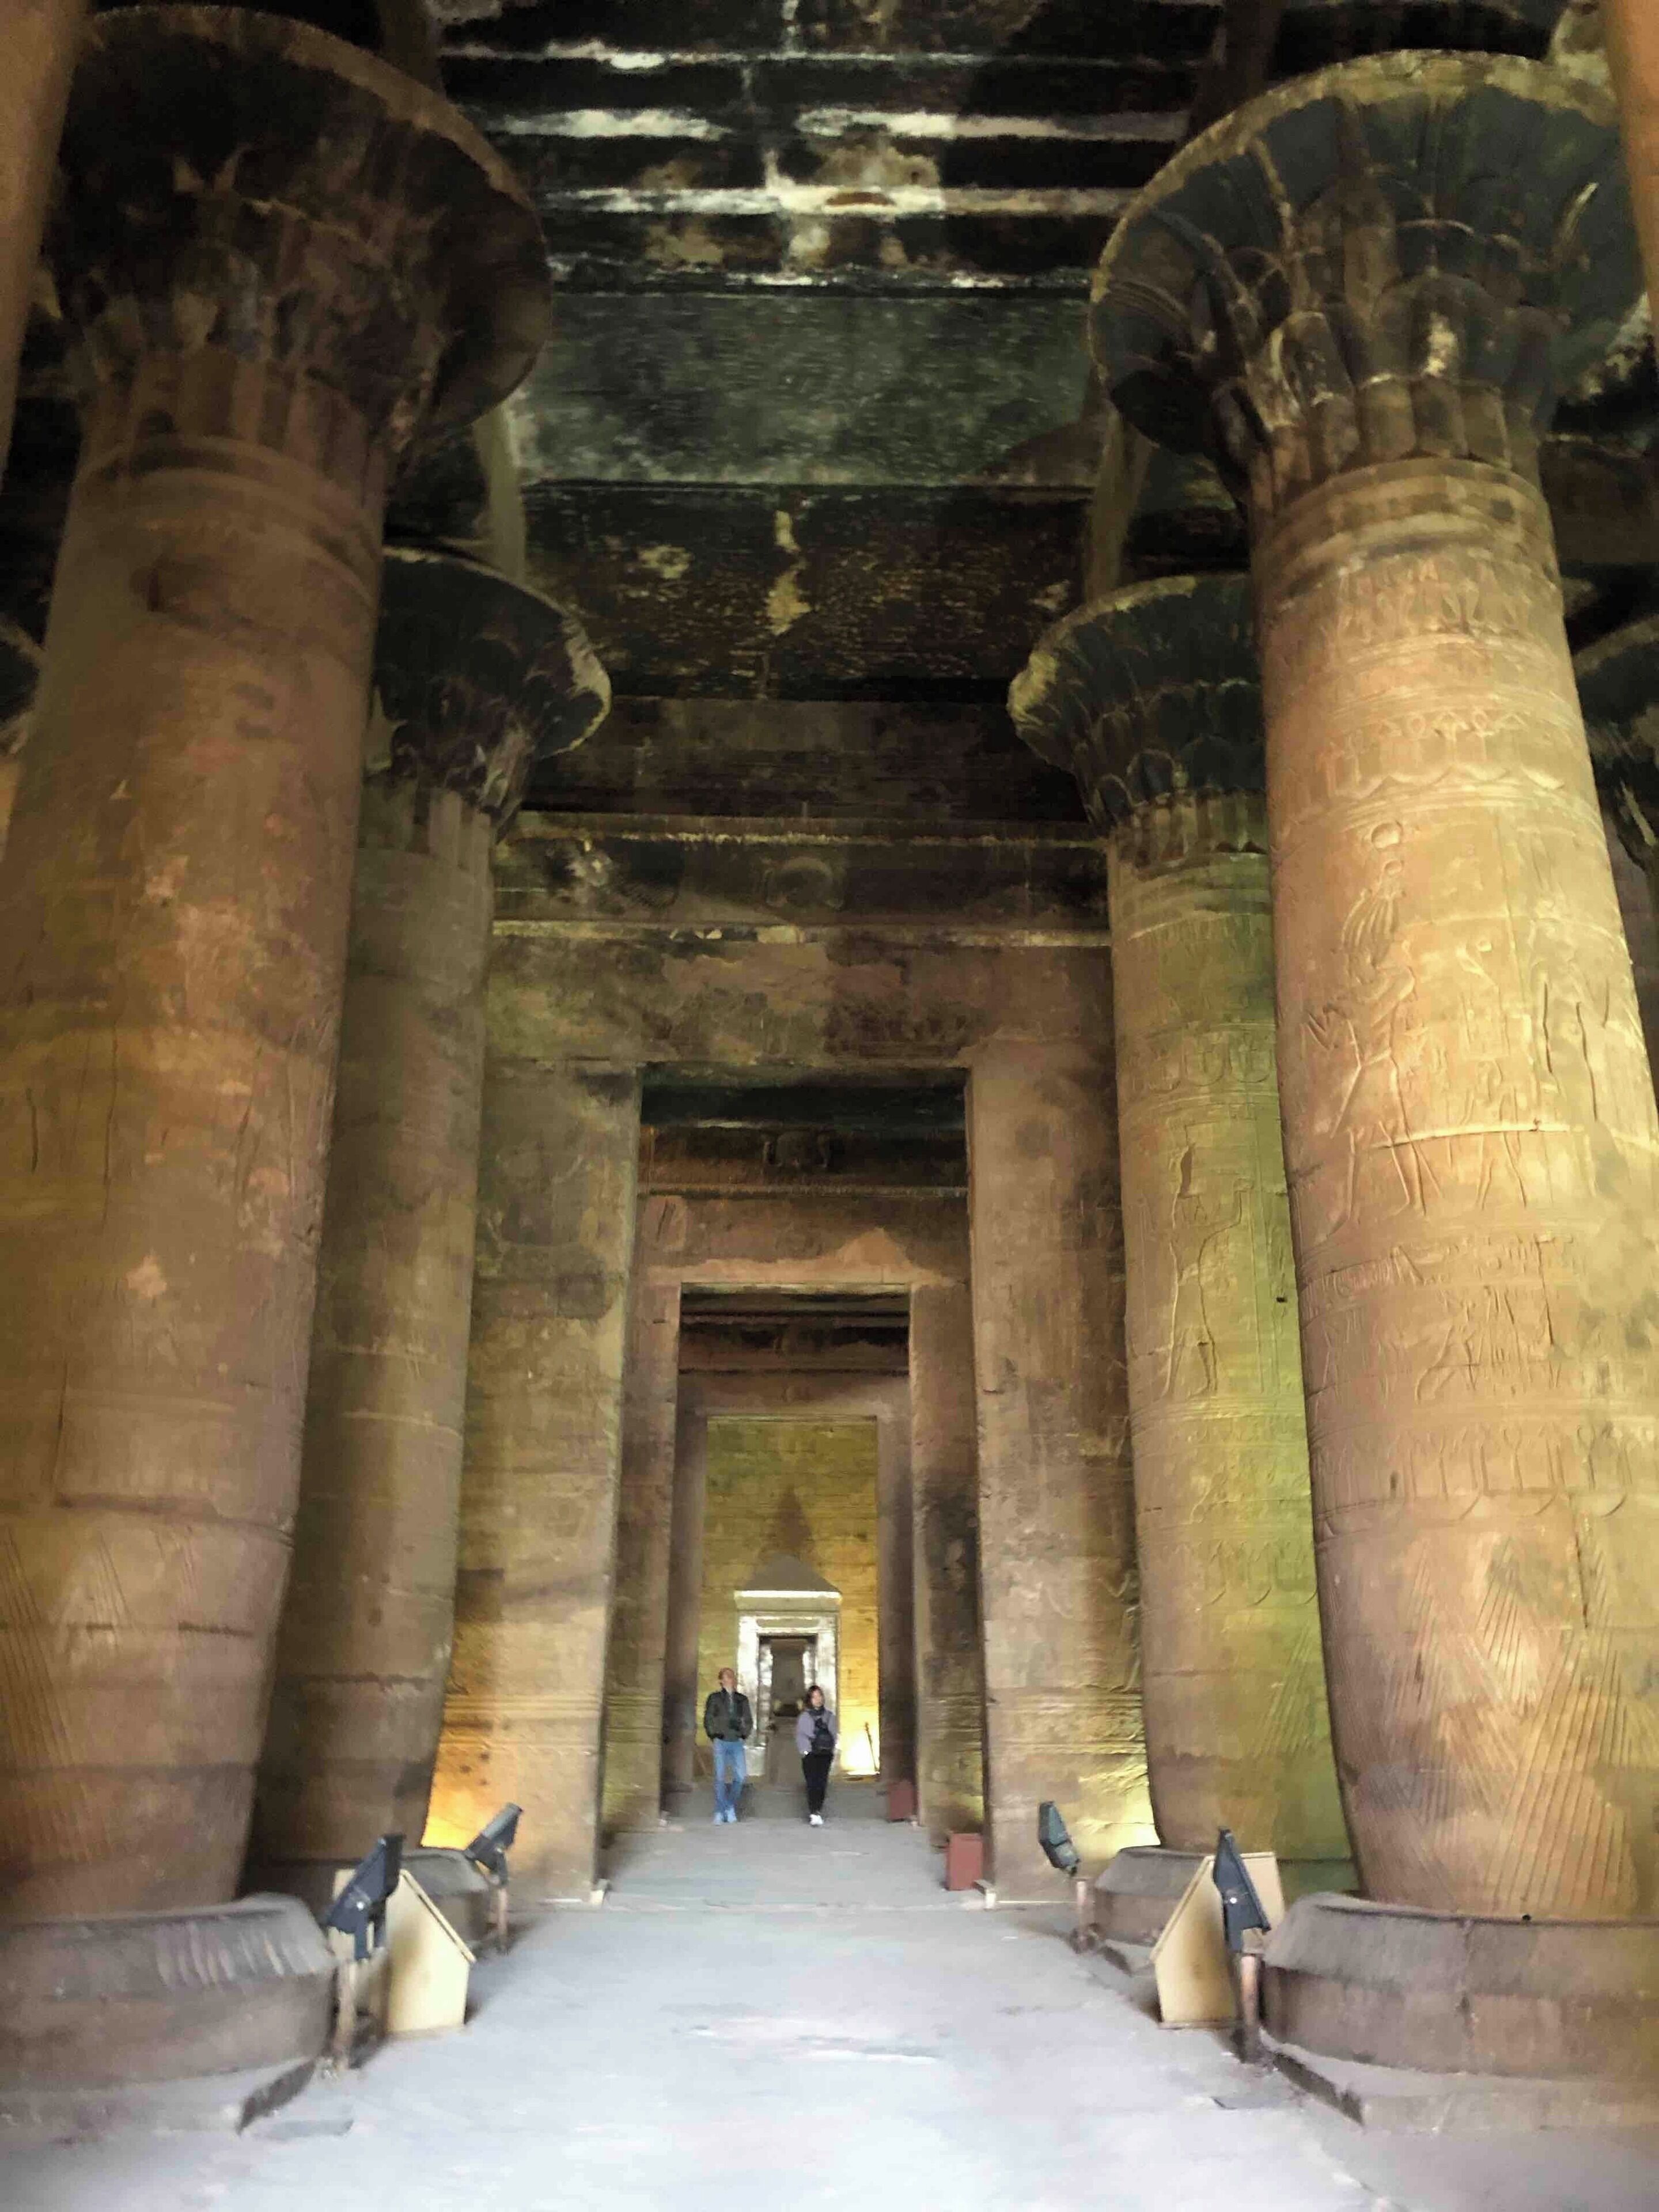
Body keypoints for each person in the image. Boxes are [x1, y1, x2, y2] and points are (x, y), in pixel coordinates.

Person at [702, 1666, 752, 1824]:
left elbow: (748, 1719)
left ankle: (729, 1806)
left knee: (740, 1776)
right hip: (721, 1741)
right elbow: (709, 1718)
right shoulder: (715, 1698)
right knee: (720, 1777)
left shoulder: (742, 1699)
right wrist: (715, 1734)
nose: (730, 1679)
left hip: (736, 1741)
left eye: (732, 1676)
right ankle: (720, 1811)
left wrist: (743, 1734)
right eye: (727, 1676)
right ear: (721, 1680)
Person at [794, 1683, 837, 1825]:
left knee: (822, 1783)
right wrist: (805, 1752)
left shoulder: (829, 1716)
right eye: (814, 1697)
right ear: (810, 1699)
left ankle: (818, 1809)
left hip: (825, 1754)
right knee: (812, 1783)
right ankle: (814, 1812)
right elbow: (801, 1736)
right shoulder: (805, 1717)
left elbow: (834, 1734)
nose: (818, 1699)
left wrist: (831, 1750)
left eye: (820, 1696)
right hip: (811, 1755)